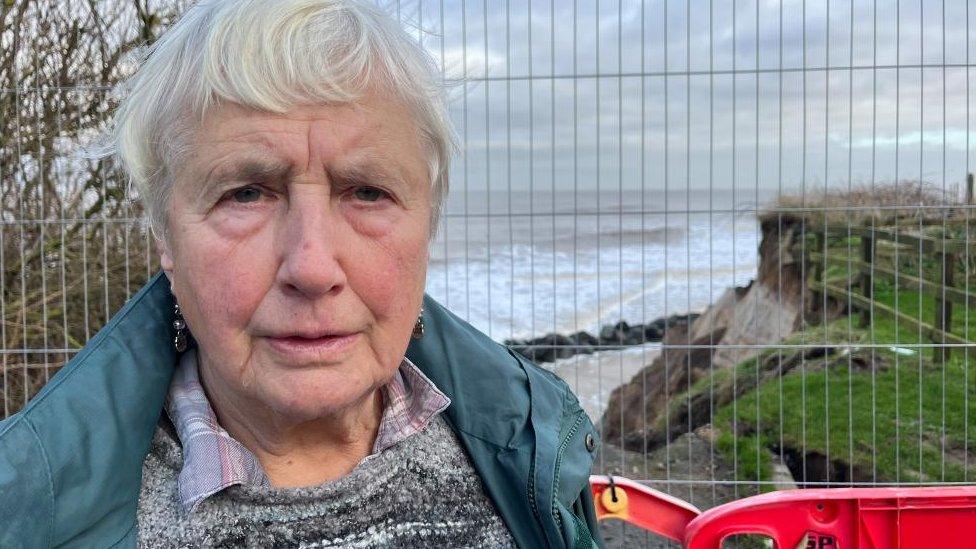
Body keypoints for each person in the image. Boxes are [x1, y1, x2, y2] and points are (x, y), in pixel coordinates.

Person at [0, 1, 602, 547]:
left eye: (367, 191)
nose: (312, 268)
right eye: (246, 194)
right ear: (166, 238)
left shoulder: (535, 445)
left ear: (428, 227)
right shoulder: (30, 512)